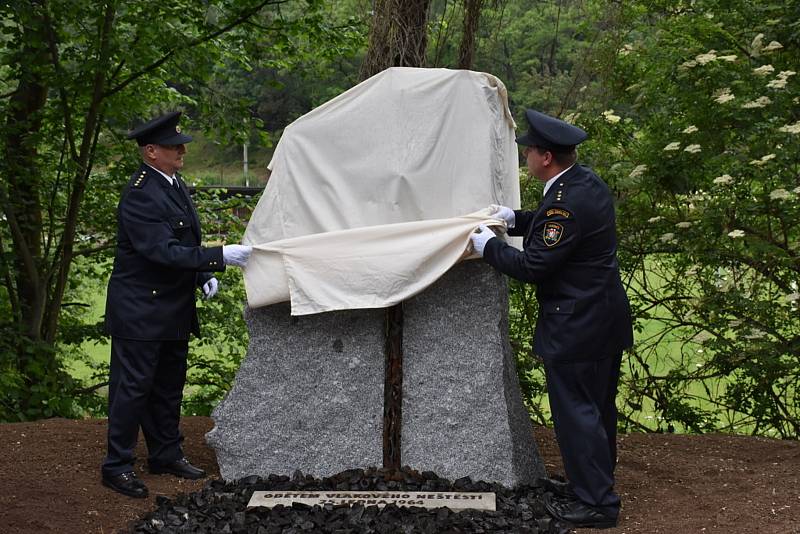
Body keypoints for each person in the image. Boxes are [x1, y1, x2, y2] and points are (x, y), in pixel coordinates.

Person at [470, 109, 633, 529]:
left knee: (576, 412)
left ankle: (597, 504)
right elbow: (559, 234)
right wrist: (515, 219)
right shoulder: (583, 183)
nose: (525, 157)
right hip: (604, 318)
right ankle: (590, 485)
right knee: (596, 409)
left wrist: (488, 247)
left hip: (576, 324)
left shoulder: (564, 201)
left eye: (529, 151)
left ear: (545, 157)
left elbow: (535, 266)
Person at [101, 111, 253, 498]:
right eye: (173, 146)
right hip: (140, 311)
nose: (182, 150)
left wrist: (202, 274)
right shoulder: (140, 194)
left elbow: (182, 240)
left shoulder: (172, 182)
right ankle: (116, 466)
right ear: (151, 151)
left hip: (171, 307)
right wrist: (218, 256)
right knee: (132, 389)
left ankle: (165, 454)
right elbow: (161, 251)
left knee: (169, 386)